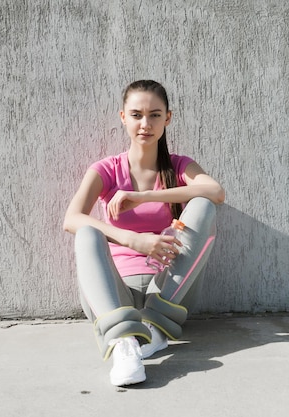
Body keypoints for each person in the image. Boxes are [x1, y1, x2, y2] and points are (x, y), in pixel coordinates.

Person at [63, 80, 225, 386]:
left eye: (154, 115)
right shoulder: (107, 169)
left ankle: (154, 327)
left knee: (204, 205)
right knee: (85, 233)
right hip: (114, 292)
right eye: (136, 115)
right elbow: (71, 218)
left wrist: (142, 197)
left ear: (168, 118)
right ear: (123, 117)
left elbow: (216, 191)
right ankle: (125, 343)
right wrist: (131, 239)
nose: (145, 124)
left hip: (167, 291)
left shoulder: (178, 166)